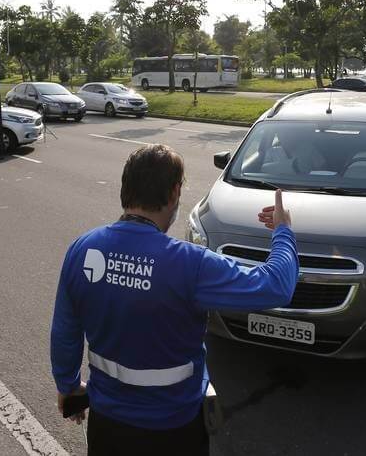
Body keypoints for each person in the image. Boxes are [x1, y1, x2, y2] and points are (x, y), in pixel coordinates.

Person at [51, 145, 298, 455]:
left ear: (125, 189)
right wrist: (283, 231)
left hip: (108, 426)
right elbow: (276, 286)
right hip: (174, 429)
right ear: (175, 192)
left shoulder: (82, 249)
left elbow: (65, 332)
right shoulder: (190, 264)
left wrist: (68, 387)